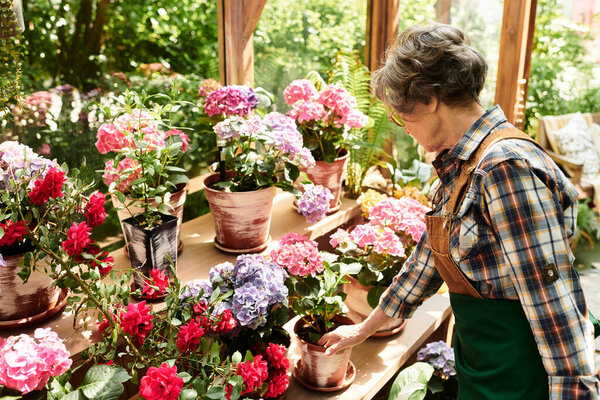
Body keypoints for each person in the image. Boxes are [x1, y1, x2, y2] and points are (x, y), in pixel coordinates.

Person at [318, 24, 600, 399]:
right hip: (484, 365)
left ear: (430, 99)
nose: (405, 130)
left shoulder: (503, 169)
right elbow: (428, 260)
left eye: (404, 117)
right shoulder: (464, 163)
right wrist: (362, 329)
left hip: (522, 376)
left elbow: (556, 308)